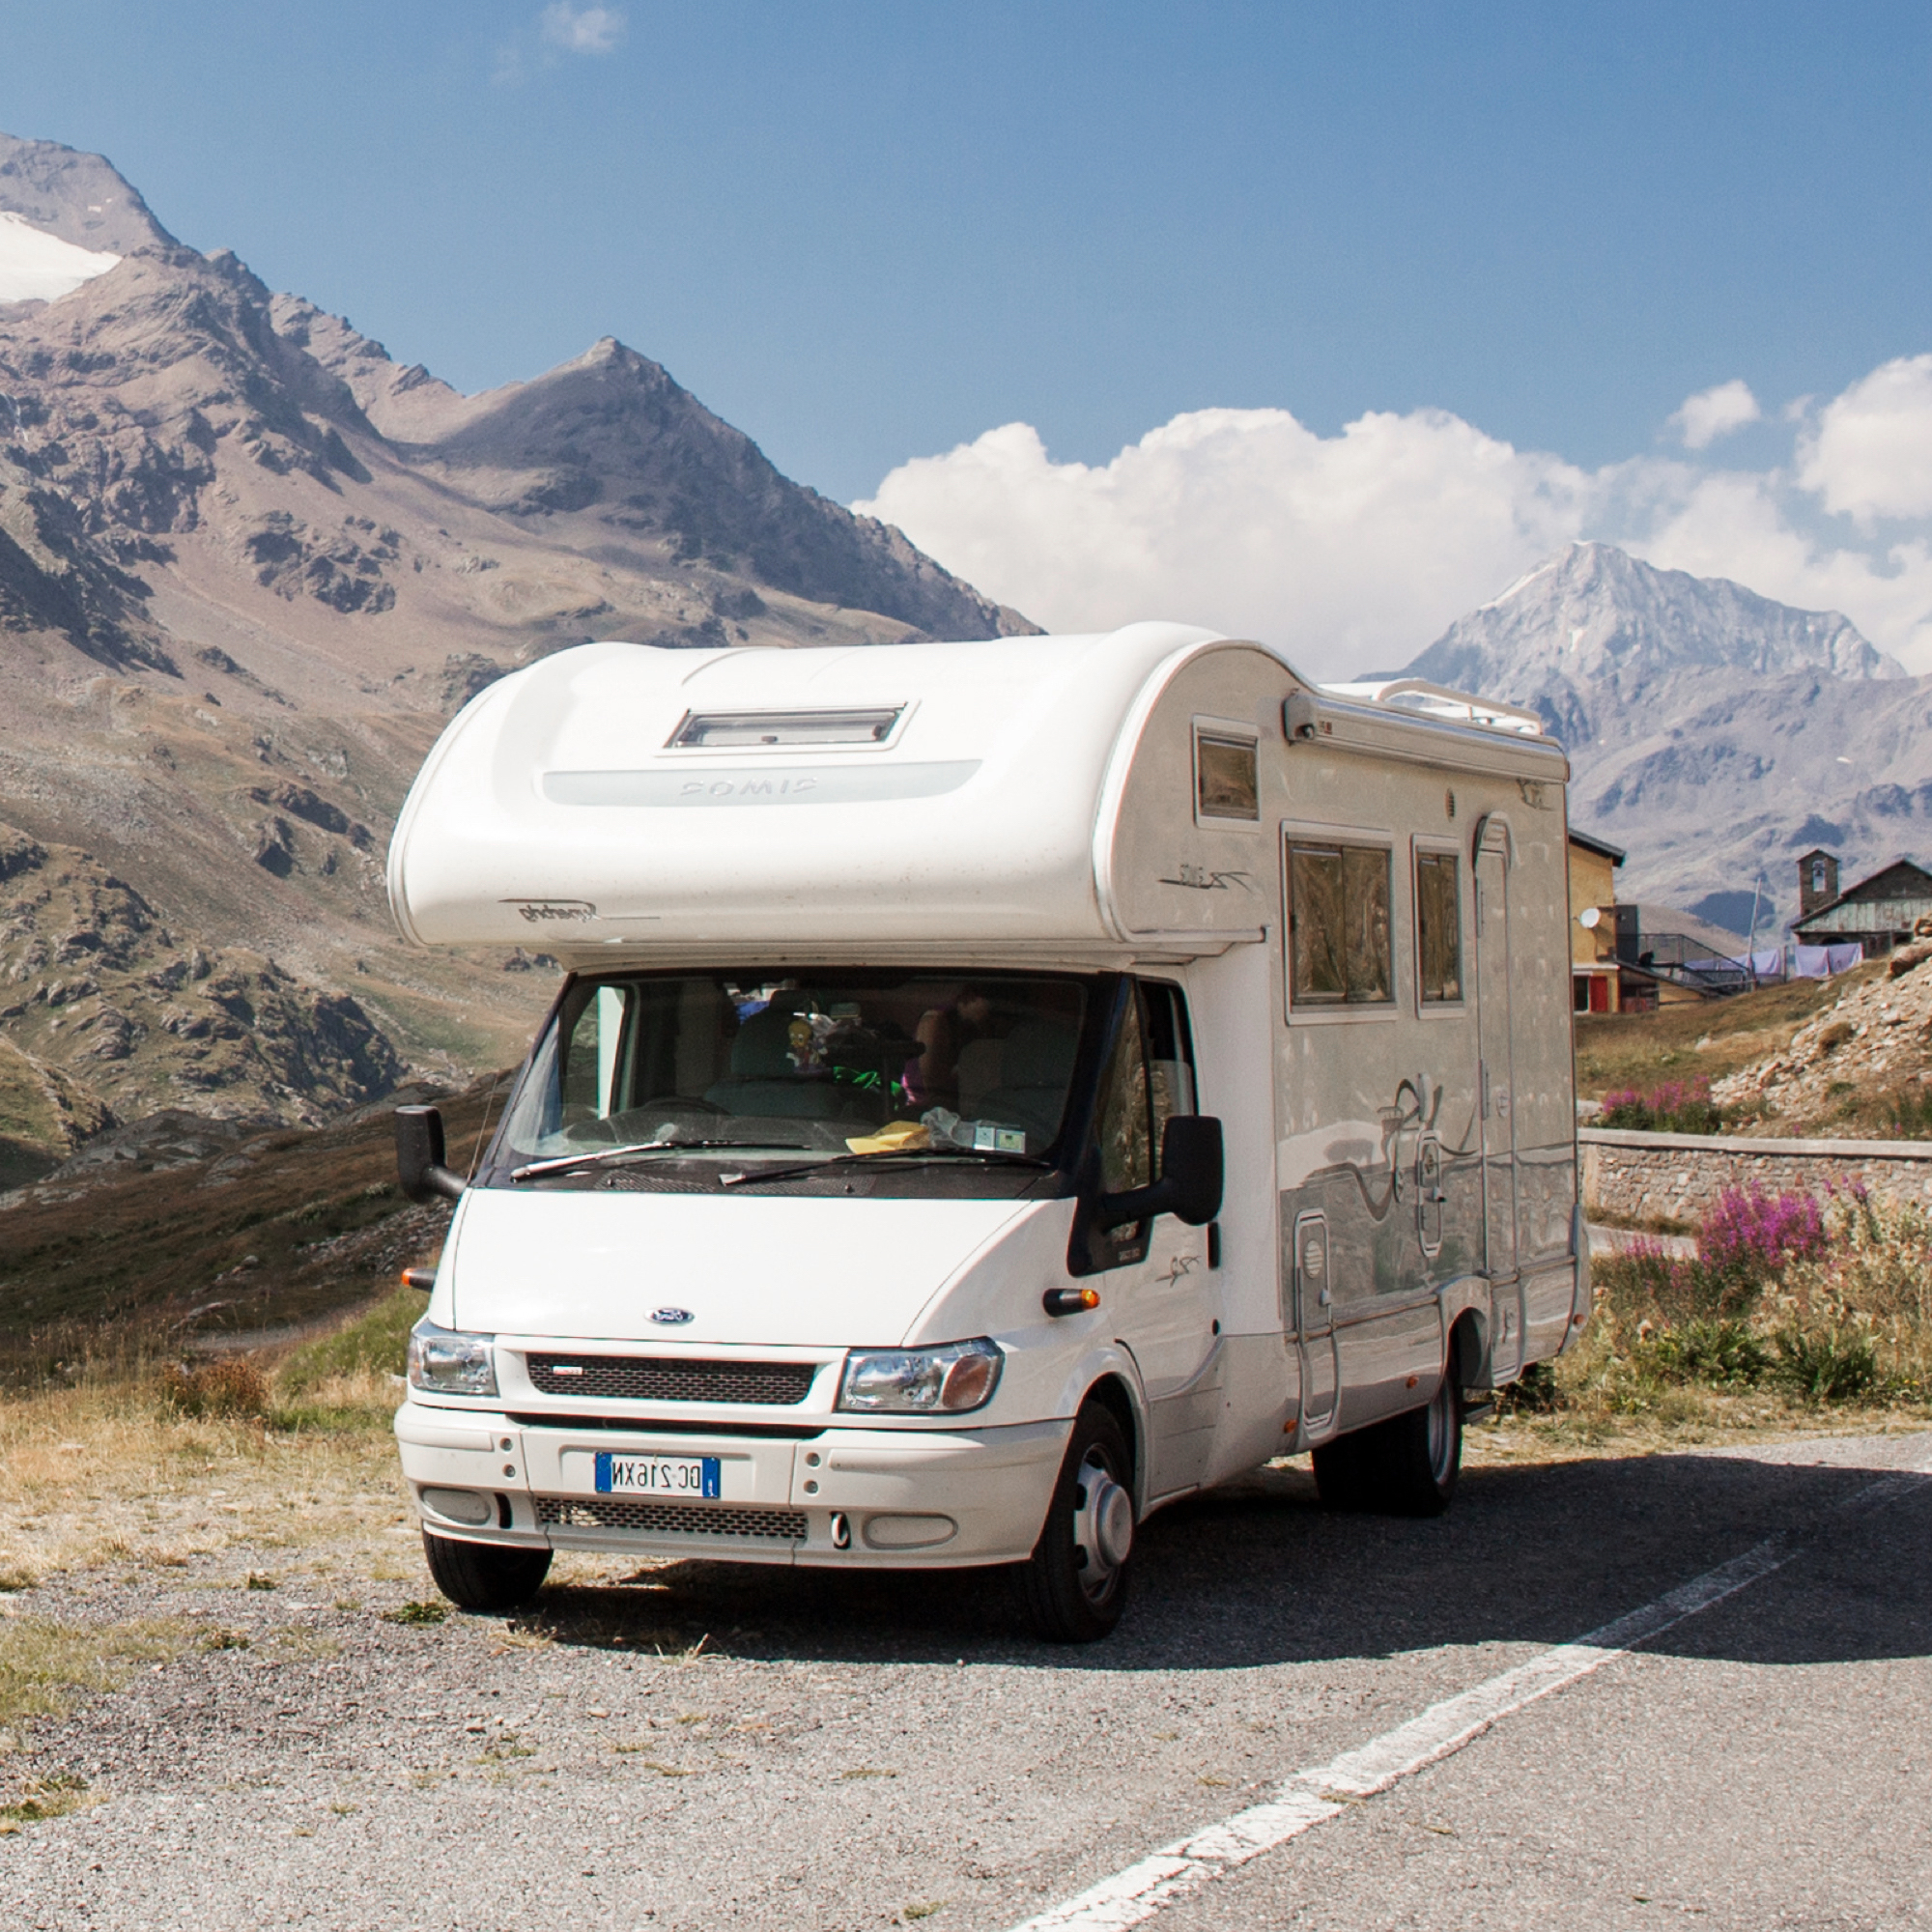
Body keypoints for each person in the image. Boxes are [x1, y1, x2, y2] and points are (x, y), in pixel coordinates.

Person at [904, 985, 991, 1109]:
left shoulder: (968, 1027)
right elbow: (932, 1085)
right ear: (971, 998)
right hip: (926, 1105)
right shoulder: (936, 1019)